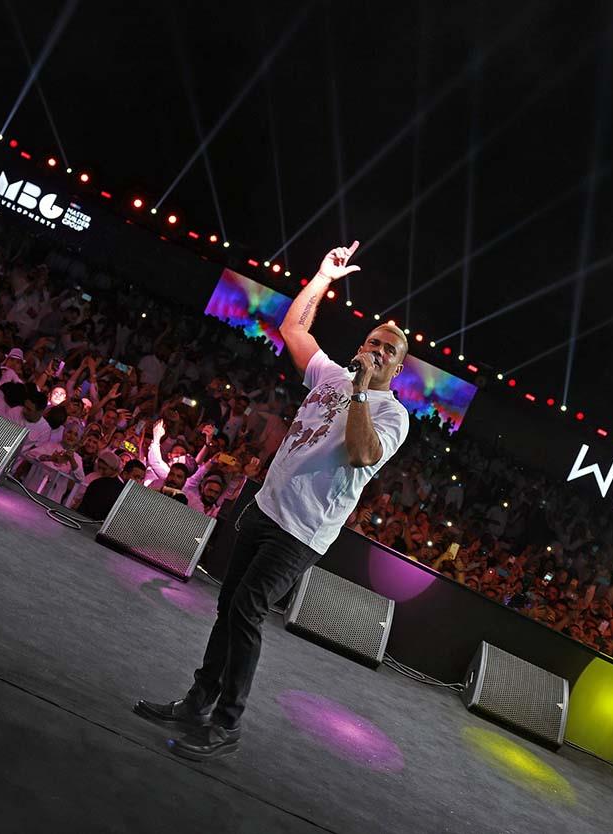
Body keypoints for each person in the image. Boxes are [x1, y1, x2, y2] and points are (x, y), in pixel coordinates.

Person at [134, 241, 410, 761]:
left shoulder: (393, 414)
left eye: (388, 351)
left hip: (302, 530)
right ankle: (197, 703)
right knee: (229, 607)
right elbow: (293, 330)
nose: (377, 350)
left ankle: (227, 723)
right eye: (373, 341)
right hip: (265, 506)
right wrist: (323, 279)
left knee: (247, 609)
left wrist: (360, 389)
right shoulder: (331, 375)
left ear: (396, 369)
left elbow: (360, 453)